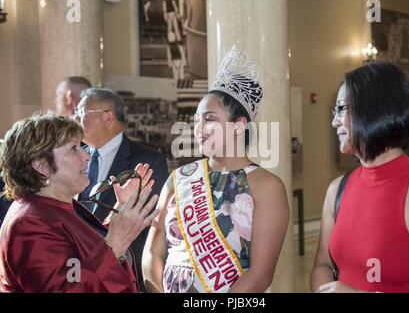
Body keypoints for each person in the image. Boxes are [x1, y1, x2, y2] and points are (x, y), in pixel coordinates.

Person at [142, 45, 289, 293]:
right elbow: (152, 253)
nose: (198, 128)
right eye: (196, 119)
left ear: (238, 125)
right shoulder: (179, 179)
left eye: (209, 119)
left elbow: (260, 274)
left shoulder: (267, 186)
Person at [310, 62, 409, 293]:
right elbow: (322, 266)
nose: (334, 121)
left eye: (341, 109)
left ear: (374, 109)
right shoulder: (337, 189)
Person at [0, 112, 160, 292]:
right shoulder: (28, 223)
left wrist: (119, 213)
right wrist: (116, 243)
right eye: (74, 148)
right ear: (41, 165)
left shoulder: (54, 205)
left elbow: (84, 250)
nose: (86, 155)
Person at [74, 88, 169, 292]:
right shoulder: (74, 157)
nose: (74, 118)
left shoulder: (149, 160)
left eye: (81, 112)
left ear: (107, 117)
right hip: (78, 269)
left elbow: (154, 222)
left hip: (125, 270)